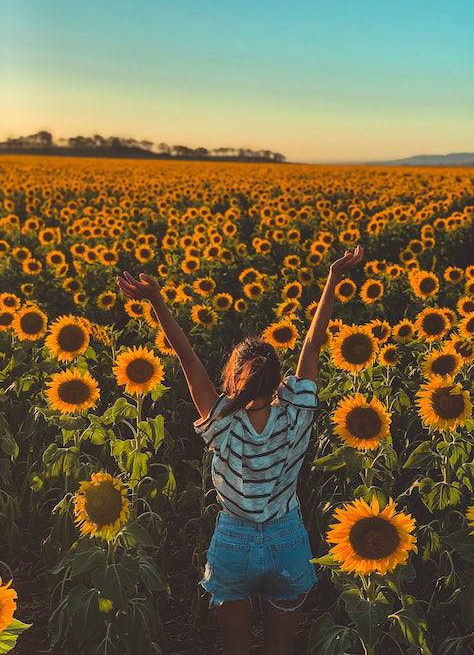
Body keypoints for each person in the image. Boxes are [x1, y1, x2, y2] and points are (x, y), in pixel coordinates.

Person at [116, 244, 364, 655]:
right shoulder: (296, 415)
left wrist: (156, 300)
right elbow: (314, 344)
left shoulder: (223, 421)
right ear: (277, 381)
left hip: (233, 540)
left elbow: (188, 360)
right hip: (287, 539)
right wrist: (333, 278)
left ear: (233, 378)